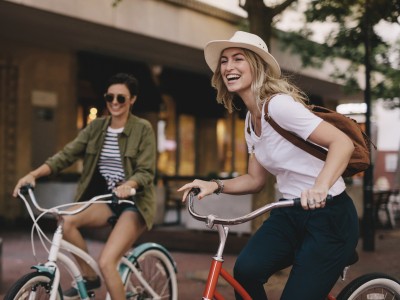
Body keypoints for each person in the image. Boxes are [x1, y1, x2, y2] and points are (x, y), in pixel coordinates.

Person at [178, 31, 359, 299]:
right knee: (247, 271)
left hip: (329, 214)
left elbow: (343, 143)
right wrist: (214, 184)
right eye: (225, 61)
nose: (229, 66)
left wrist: (320, 186)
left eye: (238, 58)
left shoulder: (279, 106)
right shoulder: (251, 122)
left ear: (257, 66)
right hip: (289, 212)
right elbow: (255, 180)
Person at [13, 73, 157, 300]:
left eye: (121, 98)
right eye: (111, 97)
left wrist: (129, 184)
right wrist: (33, 175)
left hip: (133, 202)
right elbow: (65, 156)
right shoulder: (96, 128)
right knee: (66, 220)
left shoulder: (143, 128)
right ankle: (90, 276)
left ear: (132, 100)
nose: (115, 103)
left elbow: (146, 171)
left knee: (108, 262)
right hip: (107, 200)